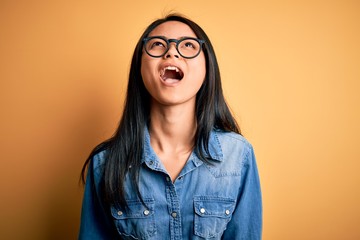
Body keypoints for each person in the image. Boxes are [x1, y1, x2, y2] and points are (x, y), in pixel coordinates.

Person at [79, 13, 262, 240]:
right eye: (157, 45)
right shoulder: (105, 163)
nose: (171, 52)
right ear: (139, 67)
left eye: (188, 45)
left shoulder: (238, 156)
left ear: (207, 67)